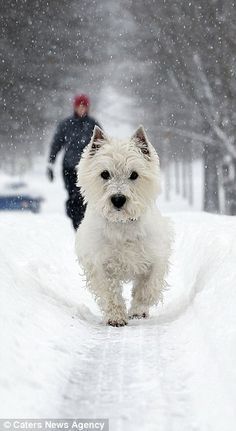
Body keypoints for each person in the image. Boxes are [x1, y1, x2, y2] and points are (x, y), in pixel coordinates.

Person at [47, 94, 101, 229]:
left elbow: (102, 145)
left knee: (85, 198)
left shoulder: (93, 125)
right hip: (69, 168)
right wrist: (50, 164)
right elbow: (56, 145)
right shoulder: (66, 124)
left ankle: (85, 226)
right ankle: (77, 223)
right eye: (79, 106)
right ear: (75, 107)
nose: (82, 109)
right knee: (73, 197)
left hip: (88, 169)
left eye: (84, 107)